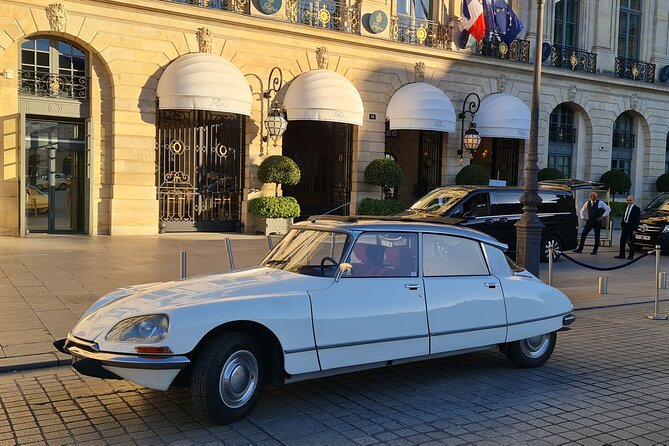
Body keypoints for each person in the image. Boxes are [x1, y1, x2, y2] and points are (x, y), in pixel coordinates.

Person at [614, 195, 641, 259]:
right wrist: (623, 224)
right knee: (622, 240)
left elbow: (637, 220)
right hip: (625, 225)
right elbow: (625, 215)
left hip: (632, 226)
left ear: (633, 200)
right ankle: (622, 254)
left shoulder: (637, 209)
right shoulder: (625, 206)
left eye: (630, 200)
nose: (629, 201)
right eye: (628, 200)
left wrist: (635, 229)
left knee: (632, 241)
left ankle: (631, 255)